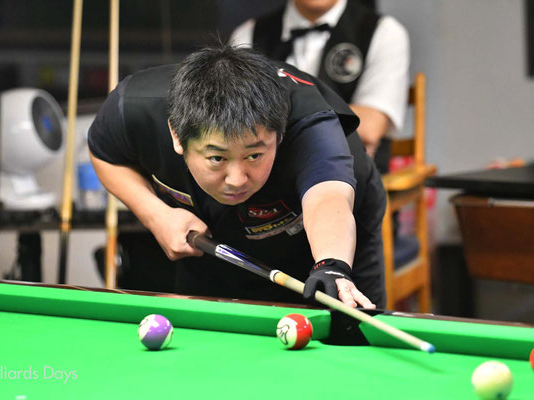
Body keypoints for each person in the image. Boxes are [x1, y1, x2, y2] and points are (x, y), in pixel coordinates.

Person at [88, 44, 386, 309]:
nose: (236, 179)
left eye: (253, 156)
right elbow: (105, 154)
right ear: (176, 135)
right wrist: (156, 215)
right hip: (211, 242)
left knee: (348, 332)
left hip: (325, 237)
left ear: (279, 134)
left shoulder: (309, 126)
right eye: (217, 158)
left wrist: (332, 264)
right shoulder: (134, 109)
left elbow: (327, 198)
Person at [229, 0, 409, 173]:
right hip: (265, 182)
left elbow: (369, 126)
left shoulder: (384, 31)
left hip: (353, 179)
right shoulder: (248, 35)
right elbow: (233, 120)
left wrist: (273, 118)